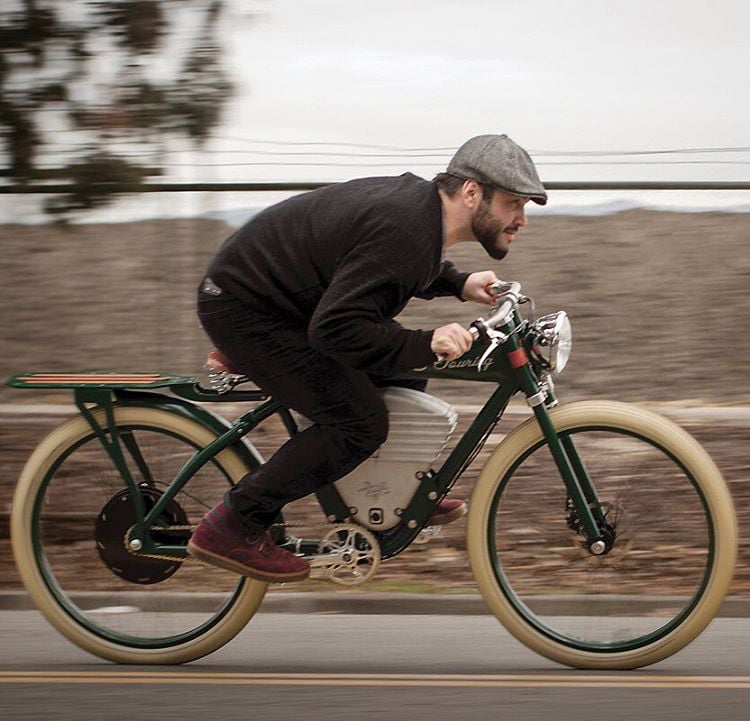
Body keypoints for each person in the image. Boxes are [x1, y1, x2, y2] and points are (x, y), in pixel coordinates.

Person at [187, 133, 547, 583]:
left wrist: (457, 283)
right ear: (472, 192)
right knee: (359, 423)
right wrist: (423, 342)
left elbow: (378, 262)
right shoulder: (407, 229)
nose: (521, 220)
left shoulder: (419, 214)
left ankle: (391, 489)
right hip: (249, 309)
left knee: (404, 370)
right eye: (514, 203)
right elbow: (336, 328)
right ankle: (233, 523)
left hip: (283, 303)